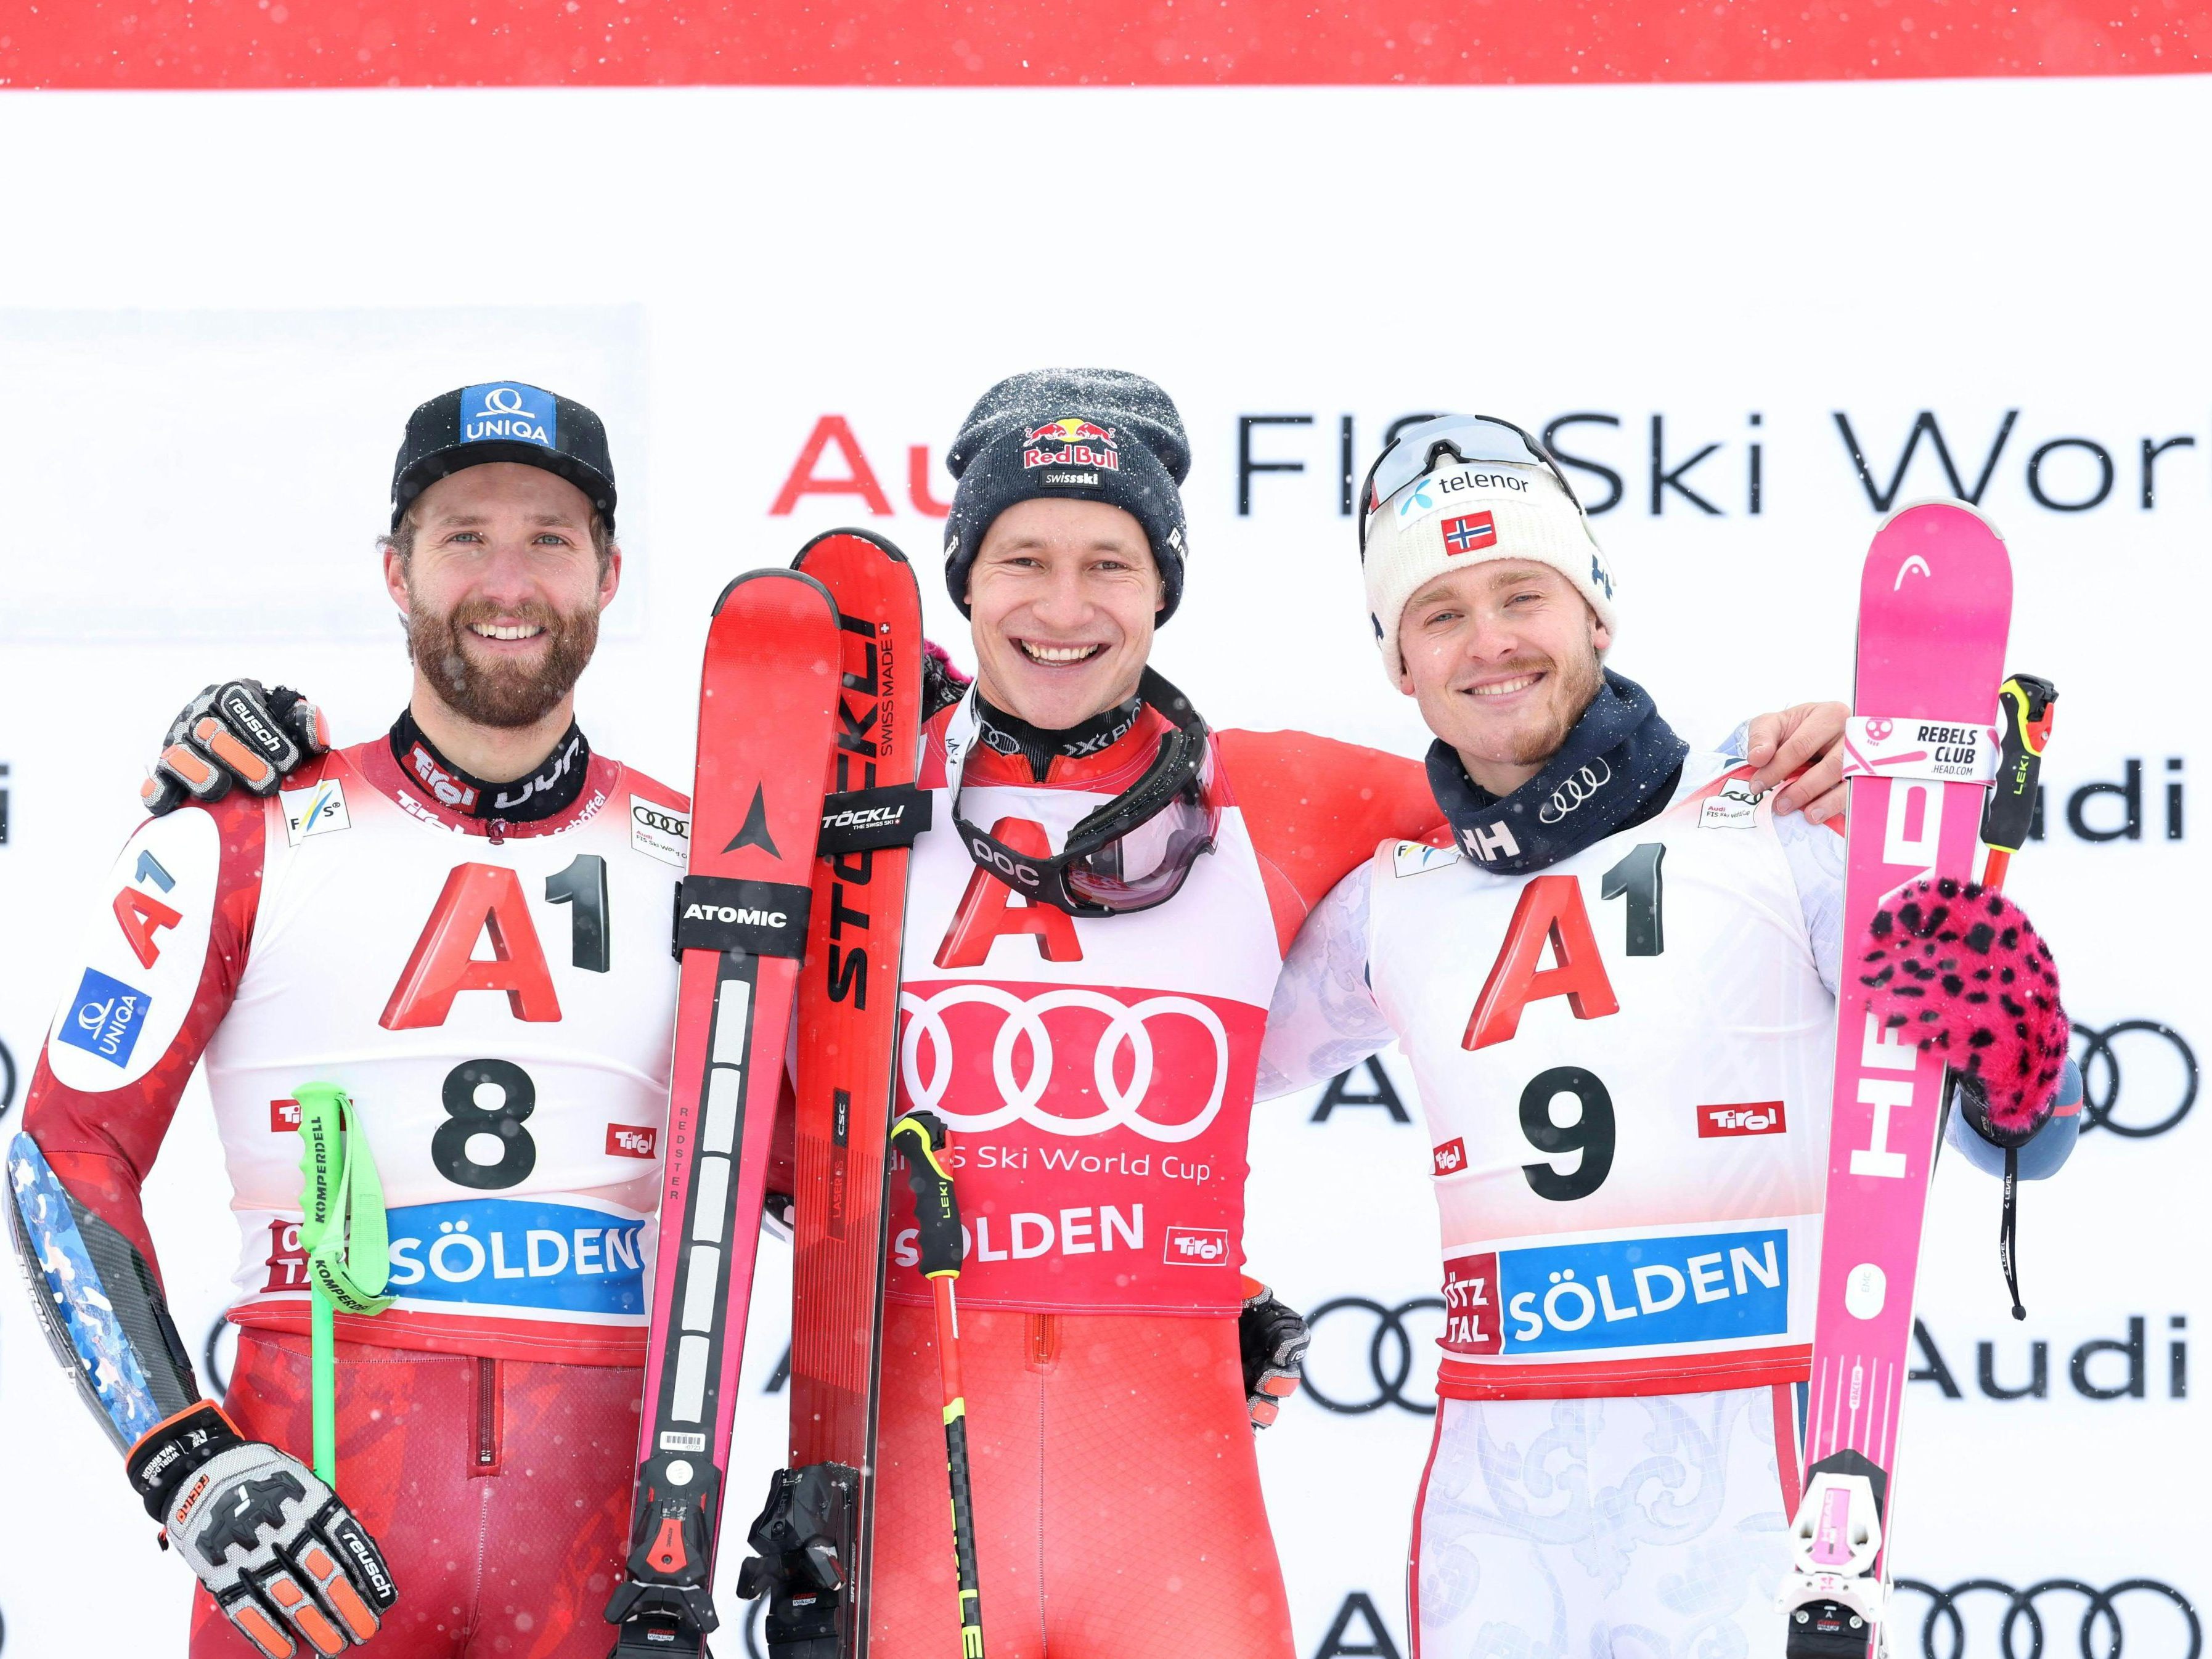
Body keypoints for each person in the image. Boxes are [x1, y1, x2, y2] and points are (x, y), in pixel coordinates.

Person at [128, 370, 1856, 1658]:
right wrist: (255, 744)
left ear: (1160, 588)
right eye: (1021, 556)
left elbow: (1554, 796)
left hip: (1170, 1509)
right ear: (963, 579)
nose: (1060, 602)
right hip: (905, 1503)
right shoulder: (838, 803)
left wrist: (1803, 766)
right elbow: (629, 937)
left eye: (1107, 561)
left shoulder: (1283, 797)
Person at [1256, 415, 2083, 1657]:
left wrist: (2014, 1041)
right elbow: (1183, 1084)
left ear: (1596, 610)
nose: (1488, 640)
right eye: (1437, 612)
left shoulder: (1781, 817)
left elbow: (2017, 1133)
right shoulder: (1391, 900)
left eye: (1521, 591)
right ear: (1398, 666)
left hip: (1759, 1504)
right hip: (1492, 1521)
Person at [7, 382, 695, 1658]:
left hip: (604, 1549)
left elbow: (804, 1183)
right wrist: (184, 1456)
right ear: (395, 569)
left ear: (607, 573)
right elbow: (63, 1152)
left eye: (549, 537)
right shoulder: (239, 831)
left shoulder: (702, 859)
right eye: (461, 535)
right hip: (311, 1548)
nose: (507, 577)